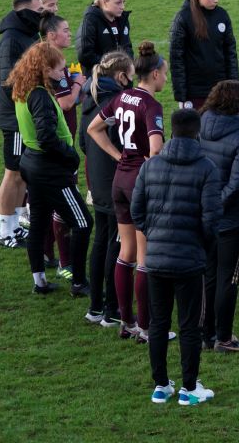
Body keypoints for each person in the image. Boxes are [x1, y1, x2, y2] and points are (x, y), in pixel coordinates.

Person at [131, 109, 221, 406]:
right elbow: (211, 219)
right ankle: (189, 387)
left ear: (170, 131)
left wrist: (155, 234)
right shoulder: (206, 168)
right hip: (189, 260)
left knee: (158, 323)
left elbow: (137, 212)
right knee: (189, 325)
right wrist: (199, 244)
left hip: (156, 258)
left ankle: (160, 385)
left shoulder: (150, 167)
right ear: (198, 133)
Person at [87, 40, 167, 340]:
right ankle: (146, 328)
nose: (166, 78)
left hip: (119, 179)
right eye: (165, 73)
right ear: (155, 74)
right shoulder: (151, 105)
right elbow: (156, 150)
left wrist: (119, 156)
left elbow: (93, 128)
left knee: (126, 252)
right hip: (139, 183)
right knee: (145, 257)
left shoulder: (121, 98)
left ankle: (127, 322)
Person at [7, 41, 92, 296]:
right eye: (58, 69)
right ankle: (78, 282)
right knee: (84, 222)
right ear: (44, 68)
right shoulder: (41, 95)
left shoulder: (22, 90)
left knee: (39, 223)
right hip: (50, 168)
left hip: (32, 163)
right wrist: (70, 154)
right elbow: (46, 136)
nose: (62, 73)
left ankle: (40, 282)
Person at [198, 80, 239, 353]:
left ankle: (206, 333)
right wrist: (218, 205)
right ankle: (223, 337)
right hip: (234, 220)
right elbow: (237, 184)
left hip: (205, 217)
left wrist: (207, 206)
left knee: (209, 275)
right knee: (229, 279)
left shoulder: (200, 124)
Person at [79, 50, 133, 328]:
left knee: (101, 241)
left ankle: (96, 306)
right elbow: (123, 143)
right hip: (113, 180)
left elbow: (83, 142)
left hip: (96, 180)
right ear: (121, 76)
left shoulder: (89, 96)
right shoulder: (116, 102)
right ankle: (112, 310)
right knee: (116, 242)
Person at [40, 11, 86, 279]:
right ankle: (65, 262)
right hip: (59, 143)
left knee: (46, 201)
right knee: (64, 201)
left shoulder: (49, 61)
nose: (70, 34)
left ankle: (47, 255)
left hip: (50, 142)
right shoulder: (51, 64)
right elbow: (66, 102)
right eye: (66, 30)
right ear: (51, 36)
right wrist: (78, 83)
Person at [0, 0, 42, 249]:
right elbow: (8, 83)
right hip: (15, 119)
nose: (42, 15)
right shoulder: (11, 39)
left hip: (25, 115)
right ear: (24, 12)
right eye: (38, 10)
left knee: (21, 174)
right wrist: (27, 105)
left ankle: (13, 226)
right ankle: (5, 231)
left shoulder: (29, 34)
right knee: (12, 174)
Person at [169, 0, 239, 111]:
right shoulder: (183, 18)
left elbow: (231, 54)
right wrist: (181, 96)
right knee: (197, 131)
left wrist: (235, 88)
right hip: (195, 93)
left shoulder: (222, 15)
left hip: (221, 89)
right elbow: (177, 59)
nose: (216, 0)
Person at [77, 0, 133, 78]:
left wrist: (128, 64)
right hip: (99, 81)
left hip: (121, 79)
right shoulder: (91, 19)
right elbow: (85, 55)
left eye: (124, 2)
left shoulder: (123, 19)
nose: (123, 7)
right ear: (104, 2)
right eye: (118, 3)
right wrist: (112, 65)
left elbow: (127, 47)